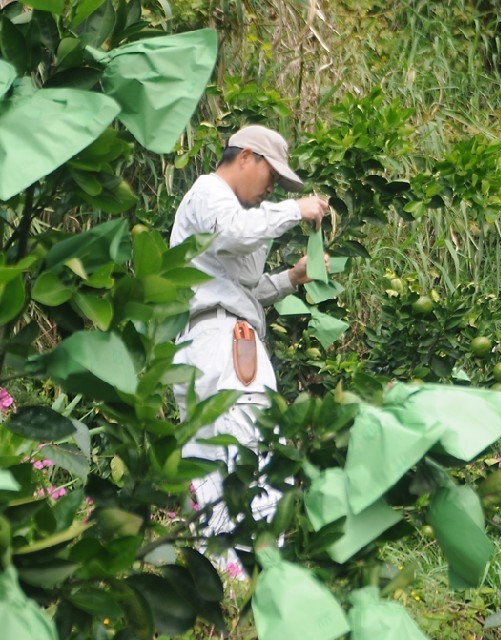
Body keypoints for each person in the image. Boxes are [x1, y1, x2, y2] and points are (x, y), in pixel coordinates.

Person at [170, 125, 328, 561]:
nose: (271, 188)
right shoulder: (210, 193)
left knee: (213, 470)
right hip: (225, 346)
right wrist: (296, 208)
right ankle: (255, 578)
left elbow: (241, 291)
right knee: (253, 458)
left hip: (206, 341)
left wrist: (292, 279)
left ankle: (219, 583)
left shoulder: (225, 212)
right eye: (271, 176)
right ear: (245, 157)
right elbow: (237, 232)